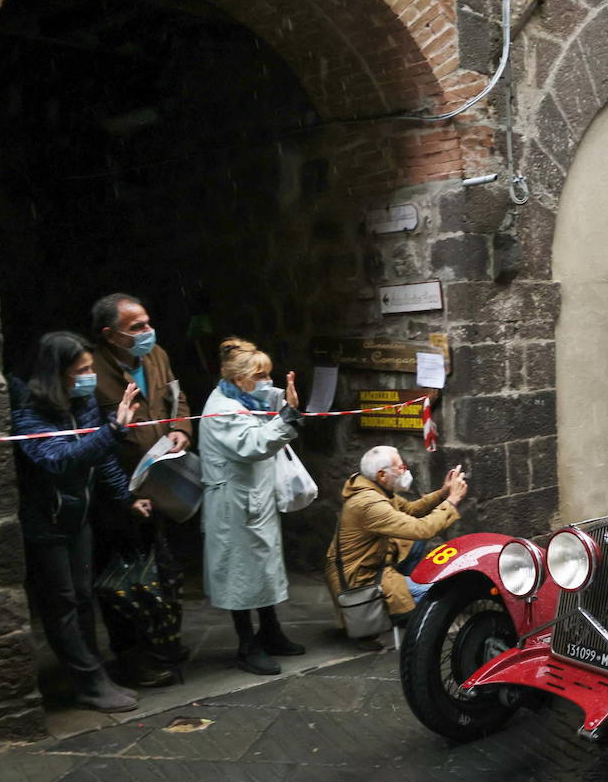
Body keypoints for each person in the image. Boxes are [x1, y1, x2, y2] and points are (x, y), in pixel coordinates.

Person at [10, 332, 152, 712]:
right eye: (82, 370)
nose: (90, 376)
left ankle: (94, 674)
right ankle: (89, 683)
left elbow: (100, 457)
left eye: (91, 367)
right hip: (48, 521)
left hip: (78, 515)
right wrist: (113, 431)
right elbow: (58, 460)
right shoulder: (29, 408)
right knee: (62, 603)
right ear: (57, 374)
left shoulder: (83, 400)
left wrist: (124, 498)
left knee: (83, 596)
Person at [90, 293, 193, 687]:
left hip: (161, 480)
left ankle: (161, 643)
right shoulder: (92, 369)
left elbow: (177, 396)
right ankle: (131, 657)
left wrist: (181, 428)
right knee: (123, 577)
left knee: (160, 569)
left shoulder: (156, 355)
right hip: (118, 490)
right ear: (110, 335)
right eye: (136, 328)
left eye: (148, 323)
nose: (148, 332)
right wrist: (123, 496)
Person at [199, 337, 304, 675]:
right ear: (236, 379)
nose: (265, 382)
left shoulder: (245, 398)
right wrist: (287, 416)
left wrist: (285, 402)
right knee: (239, 573)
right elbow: (253, 444)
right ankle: (247, 644)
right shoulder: (222, 410)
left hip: (255, 500)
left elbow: (269, 403)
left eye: (267, 375)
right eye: (259, 376)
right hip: (233, 505)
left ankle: (270, 630)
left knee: (263, 567)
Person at [326, 447, 469, 635]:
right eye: (400, 467)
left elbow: (411, 510)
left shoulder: (375, 488)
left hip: (374, 565)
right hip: (361, 578)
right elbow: (423, 529)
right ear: (382, 475)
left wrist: (443, 493)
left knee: (413, 543)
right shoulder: (369, 503)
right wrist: (452, 501)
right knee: (436, 595)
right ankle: (406, 612)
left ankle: (407, 590)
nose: (404, 471)